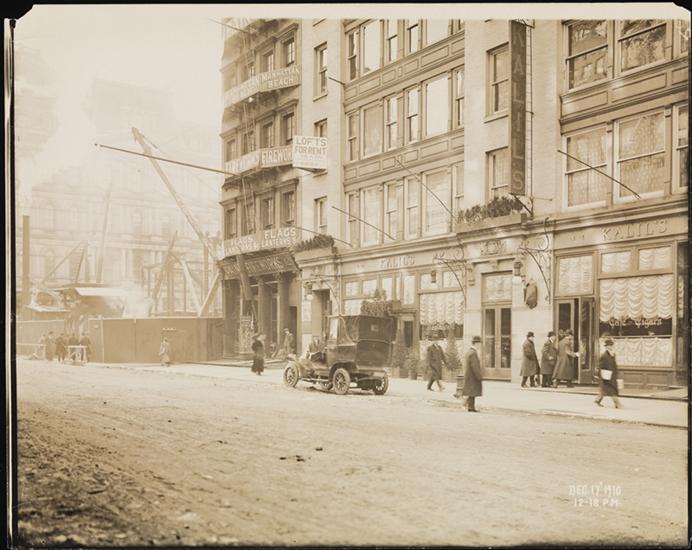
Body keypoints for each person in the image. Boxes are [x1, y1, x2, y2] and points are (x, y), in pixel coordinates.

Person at [595, 338, 623, 409]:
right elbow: (599, 366)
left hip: (612, 376)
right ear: (606, 347)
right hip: (606, 377)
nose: (610, 347)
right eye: (609, 346)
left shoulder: (613, 354)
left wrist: (617, 373)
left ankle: (597, 400)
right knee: (611, 391)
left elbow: (614, 365)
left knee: (604, 390)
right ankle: (617, 404)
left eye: (611, 345)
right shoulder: (604, 355)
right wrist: (600, 376)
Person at [461, 336, 483, 412]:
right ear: (476, 343)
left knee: (471, 392)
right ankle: (470, 407)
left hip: (469, 375)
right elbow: (475, 366)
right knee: (472, 392)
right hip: (472, 376)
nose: (480, 346)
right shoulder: (473, 353)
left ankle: (471, 407)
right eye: (479, 344)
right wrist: (479, 376)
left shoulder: (470, 351)